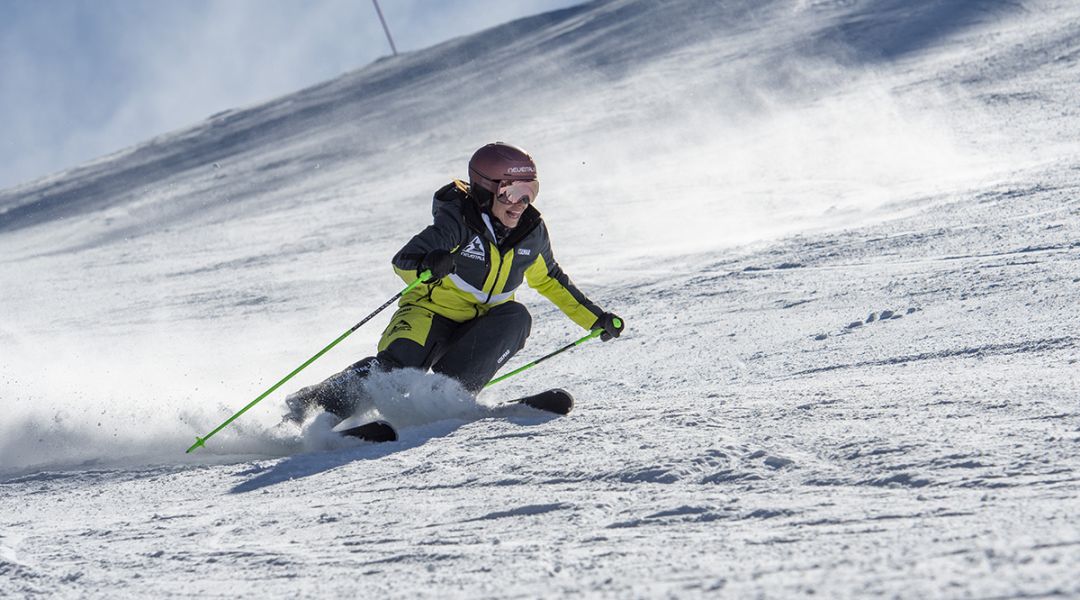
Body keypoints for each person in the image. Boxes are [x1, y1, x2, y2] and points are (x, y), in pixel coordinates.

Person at [285, 142, 624, 423]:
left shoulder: (530, 234)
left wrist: (595, 319)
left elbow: (550, 280)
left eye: (529, 192)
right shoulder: (458, 222)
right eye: (511, 192)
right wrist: (429, 263)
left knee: (517, 317)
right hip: (429, 313)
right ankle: (314, 407)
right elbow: (404, 260)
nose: (521, 204)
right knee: (396, 370)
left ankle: (446, 399)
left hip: (480, 325)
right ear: (485, 190)